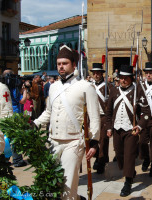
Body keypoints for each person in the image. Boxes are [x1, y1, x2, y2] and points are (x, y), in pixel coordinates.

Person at [33, 45, 100, 200]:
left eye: (65, 63)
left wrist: (95, 141)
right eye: (58, 64)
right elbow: (48, 112)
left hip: (74, 143)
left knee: (67, 187)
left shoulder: (86, 86)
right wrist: (35, 123)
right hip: (54, 141)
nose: (61, 67)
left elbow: (95, 117)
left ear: (73, 64)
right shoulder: (53, 87)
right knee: (52, 185)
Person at [106, 65, 150, 197]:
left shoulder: (138, 90)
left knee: (129, 155)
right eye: (121, 78)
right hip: (117, 129)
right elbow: (109, 112)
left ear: (131, 78)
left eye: (126, 78)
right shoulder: (114, 91)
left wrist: (140, 126)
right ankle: (129, 171)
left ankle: (128, 182)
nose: (123, 80)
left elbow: (146, 112)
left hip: (131, 129)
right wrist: (109, 127)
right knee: (119, 155)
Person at [90, 62, 110, 174]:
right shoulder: (89, 85)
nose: (96, 75)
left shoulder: (107, 86)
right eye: (94, 73)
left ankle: (101, 162)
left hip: (103, 117)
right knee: (92, 140)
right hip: (92, 117)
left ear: (102, 74)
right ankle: (98, 157)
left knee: (103, 141)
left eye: (98, 73)